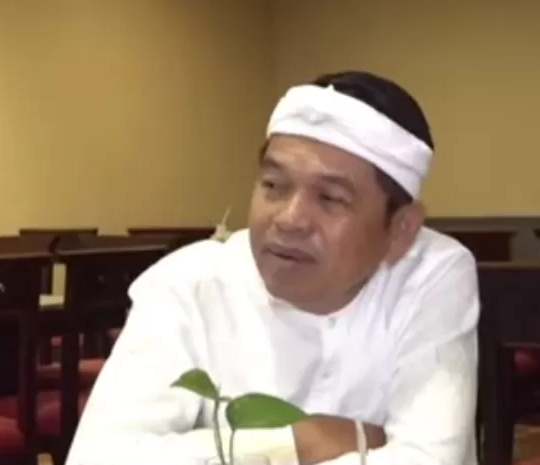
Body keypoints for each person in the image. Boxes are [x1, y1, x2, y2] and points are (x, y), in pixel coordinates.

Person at [66, 70, 479, 465]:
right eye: (273, 186)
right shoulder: (189, 284)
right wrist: (298, 443)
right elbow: (95, 459)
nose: (289, 219)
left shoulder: (430, 275)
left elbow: (430, 459)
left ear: (401, 230)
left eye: (331, 199)